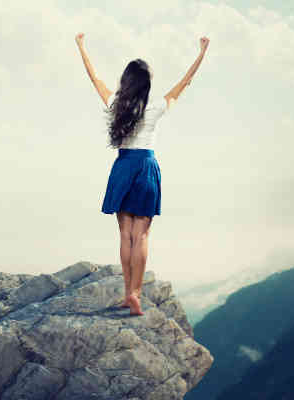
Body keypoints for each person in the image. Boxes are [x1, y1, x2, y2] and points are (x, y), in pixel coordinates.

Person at [75, 32, 210, 315]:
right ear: (146, 84)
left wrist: (81, 47)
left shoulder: (115, 105)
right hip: (146, 167)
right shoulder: (157, 107)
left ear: (125, 82)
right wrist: (201, 54)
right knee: (142, 236)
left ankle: (128, 294)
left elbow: (94, 78)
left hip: (123, 167)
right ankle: (136, 293)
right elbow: (184, 82)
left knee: (125, 235)